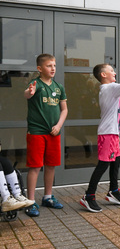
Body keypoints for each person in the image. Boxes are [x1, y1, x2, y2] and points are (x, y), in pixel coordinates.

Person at [80, 53, 120, 213]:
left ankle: (113, 191)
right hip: (107, 133)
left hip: (112, 133)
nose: (114, 73)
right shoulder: (109, 88)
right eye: (111, 71)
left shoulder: (110, 89)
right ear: (103, 75)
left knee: (116, 161)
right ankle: (89, 196)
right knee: (104, 164)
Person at [24, 53, 68, 217]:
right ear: (39, 68)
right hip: (36, 132)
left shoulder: (59, 87)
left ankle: (48, 197)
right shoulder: (34, 84)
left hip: (53, 133)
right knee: (35, 167)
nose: (53, 68)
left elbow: (64, 109)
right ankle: (30, 201)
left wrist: (58, 126)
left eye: (54, 65)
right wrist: (30, 91)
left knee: (51, 165)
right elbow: (27, 94)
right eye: (49, 66)